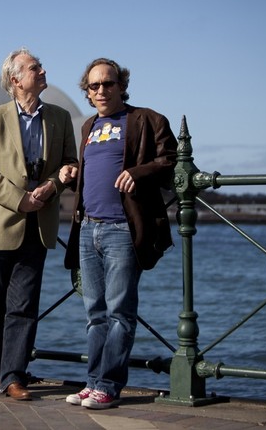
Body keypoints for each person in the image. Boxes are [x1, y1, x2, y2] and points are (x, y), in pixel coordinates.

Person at [60, 58, 177, 409]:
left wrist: (138, 173)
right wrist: (72, 172)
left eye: (107, 84)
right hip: (87, 227)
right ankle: (93, 381)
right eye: (93, 86)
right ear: (87, 92)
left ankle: (109, 386)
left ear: (121, 85)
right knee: (94, 313)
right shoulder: (89, 127)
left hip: (122, 229)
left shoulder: (146, 119)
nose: (101, 91)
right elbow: (92, 172)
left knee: (119, 312)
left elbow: (171, 160)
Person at [0, 47, 78, 401]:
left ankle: (13, 376)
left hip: (40, 223)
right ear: (15, 80)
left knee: (24, 306)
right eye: (35, 68)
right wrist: (20, 199)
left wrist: (53, 185)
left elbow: (69, 164)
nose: (43, 71)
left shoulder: (60, 118)